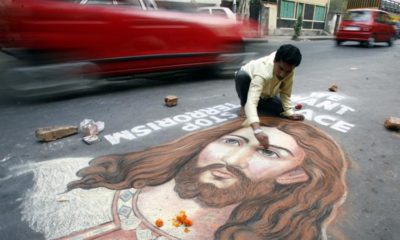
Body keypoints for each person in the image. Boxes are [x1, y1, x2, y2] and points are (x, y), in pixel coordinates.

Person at [67, 116, 348, 240]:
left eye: (270, 154)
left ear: (294, 175)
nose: (231, 160)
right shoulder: (106, 179)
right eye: (232, 142)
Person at [235, 44, 305, 150]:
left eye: (288, 71)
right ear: (275, 61)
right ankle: (243, 105)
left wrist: (290, 113)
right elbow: (252, 100)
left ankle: (256, 107)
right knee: (242, 77)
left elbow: (285, 93)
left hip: (266, 93)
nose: (282, 74)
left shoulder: (289, 69)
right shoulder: (263, 70)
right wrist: (257, 130)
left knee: (281, 110)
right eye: (280, 68)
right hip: (248, 84)